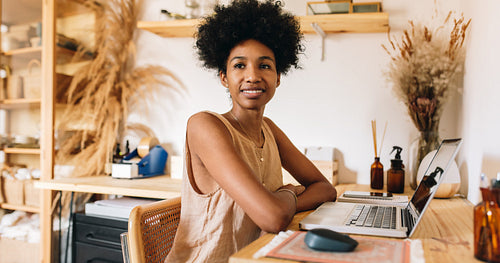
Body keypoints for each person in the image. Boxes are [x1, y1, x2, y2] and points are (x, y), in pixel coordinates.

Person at [165, 0, 337, 262]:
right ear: (224, 76)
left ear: (278, 77)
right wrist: (287, 194)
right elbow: (273, 217)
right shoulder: (205, 126)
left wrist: (280, 203)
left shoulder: (270, 131)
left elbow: (325, 188)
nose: (253, 76)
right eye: (239, 65)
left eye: (265, 65)